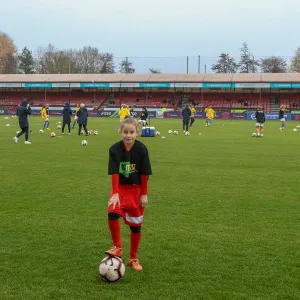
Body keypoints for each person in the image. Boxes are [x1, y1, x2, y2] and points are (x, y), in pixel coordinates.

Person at [105, 117, 152, 271]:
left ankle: (133, 259)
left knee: (135, 227)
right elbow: (114, 173)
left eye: (131, 132)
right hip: (121, 189)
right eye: (125, 132)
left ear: (137, 132)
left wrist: (144, 194)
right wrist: (115, 193)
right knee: (112, 212)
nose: (128, 135)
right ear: (120, 132)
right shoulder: (114, 149)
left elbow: (145, 174)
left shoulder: (142, 149)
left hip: (136, 190)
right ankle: (118, 247)